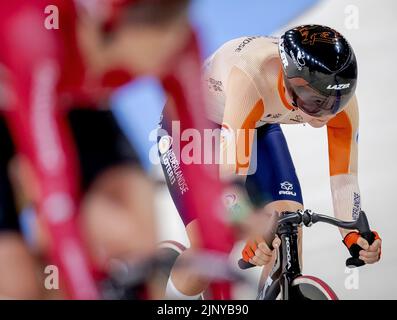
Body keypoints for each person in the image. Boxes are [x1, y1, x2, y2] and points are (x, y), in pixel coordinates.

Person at [0, 0, 235, 299]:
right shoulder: (34, 29)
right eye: (152, 54)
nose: (164, 60)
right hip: (25, 87)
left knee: (131, 239)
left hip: (73, 101)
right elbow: (53, 187)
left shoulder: (176, 41)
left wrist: (224, 297)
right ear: (101, 30)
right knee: (17, 284)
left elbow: (203, 173)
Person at [159, 24, 382, 299]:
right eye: (314, 102)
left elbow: (345, 178)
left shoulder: (336, 96)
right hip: (193, 122)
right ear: (290, 83)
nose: (326, 113)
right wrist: (247, 226)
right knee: (213, 242)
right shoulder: (251, 79)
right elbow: (230, 187)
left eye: (337, 102)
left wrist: (351, 233)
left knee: (288, 224)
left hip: (257, 122)